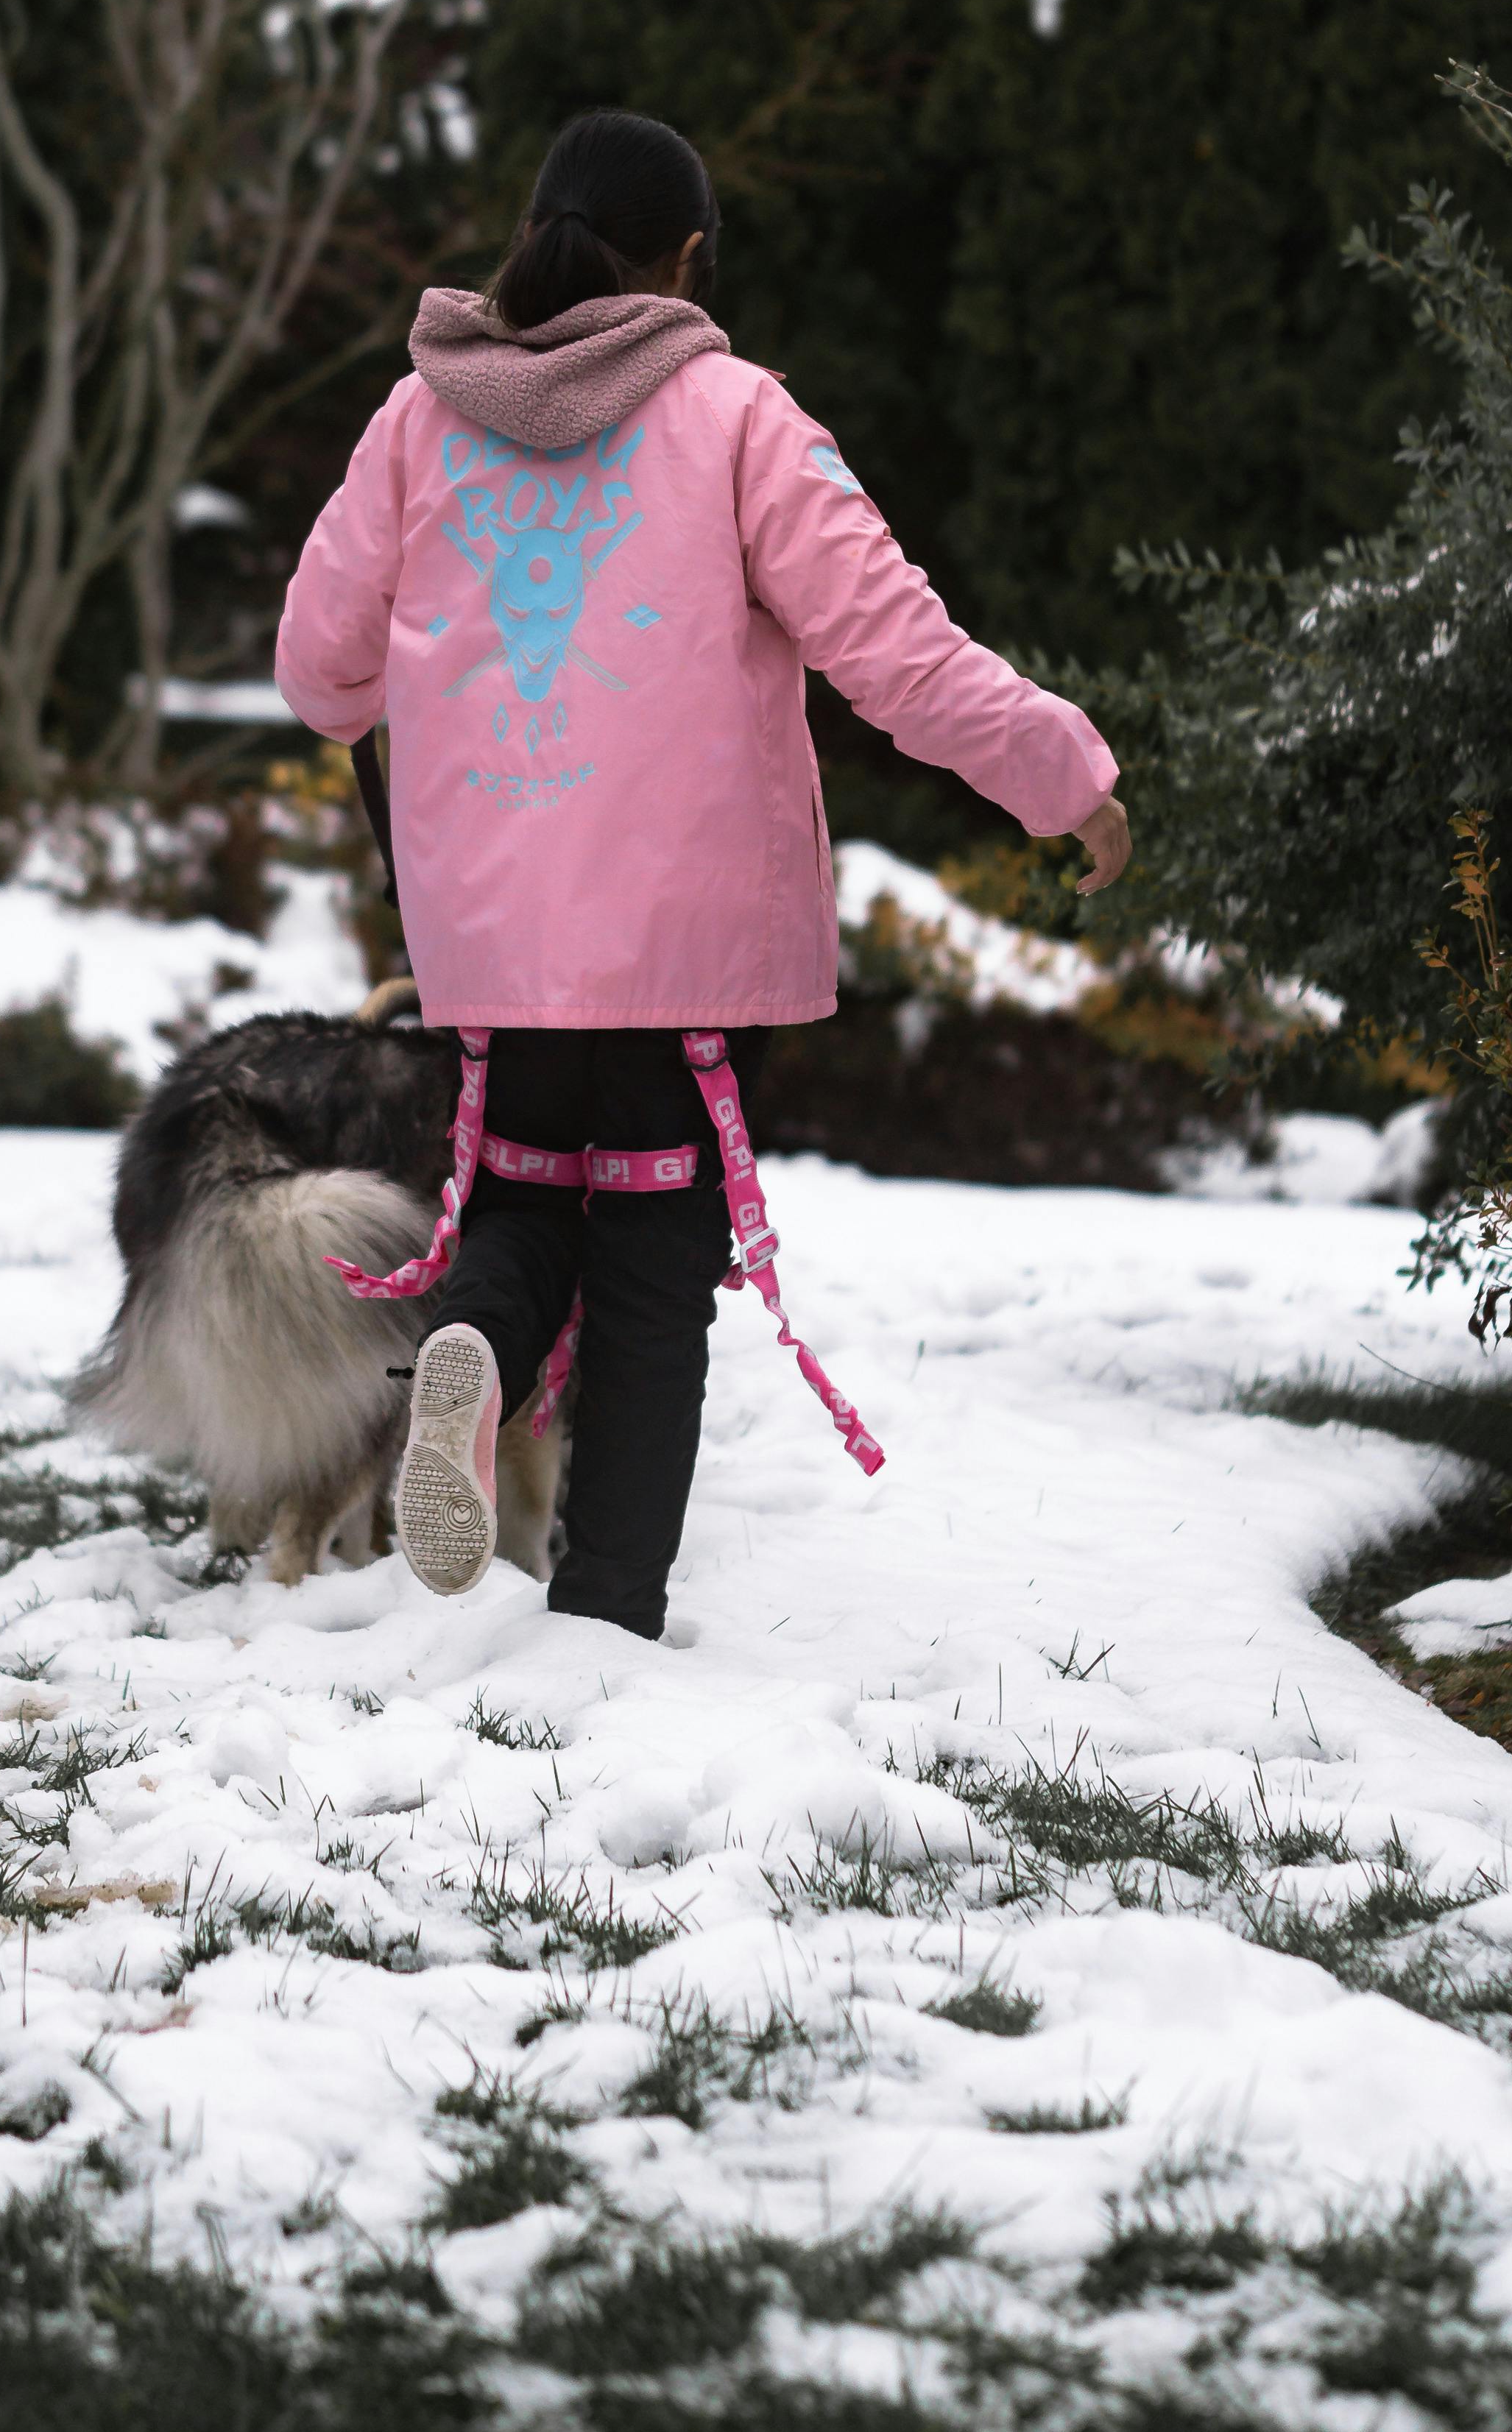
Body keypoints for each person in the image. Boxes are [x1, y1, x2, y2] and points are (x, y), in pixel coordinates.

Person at [275, 106, 1127, 1639]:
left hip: (497, 940)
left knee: (528, 1197)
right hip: (680, 945)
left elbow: (314, 669)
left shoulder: (416, 420)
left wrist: (380, 697)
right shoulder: (736, 415)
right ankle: (603, 1619)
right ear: (684, 259)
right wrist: (1061, 778)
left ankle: (470, 1340)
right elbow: (893, 650)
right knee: (659, 1254)